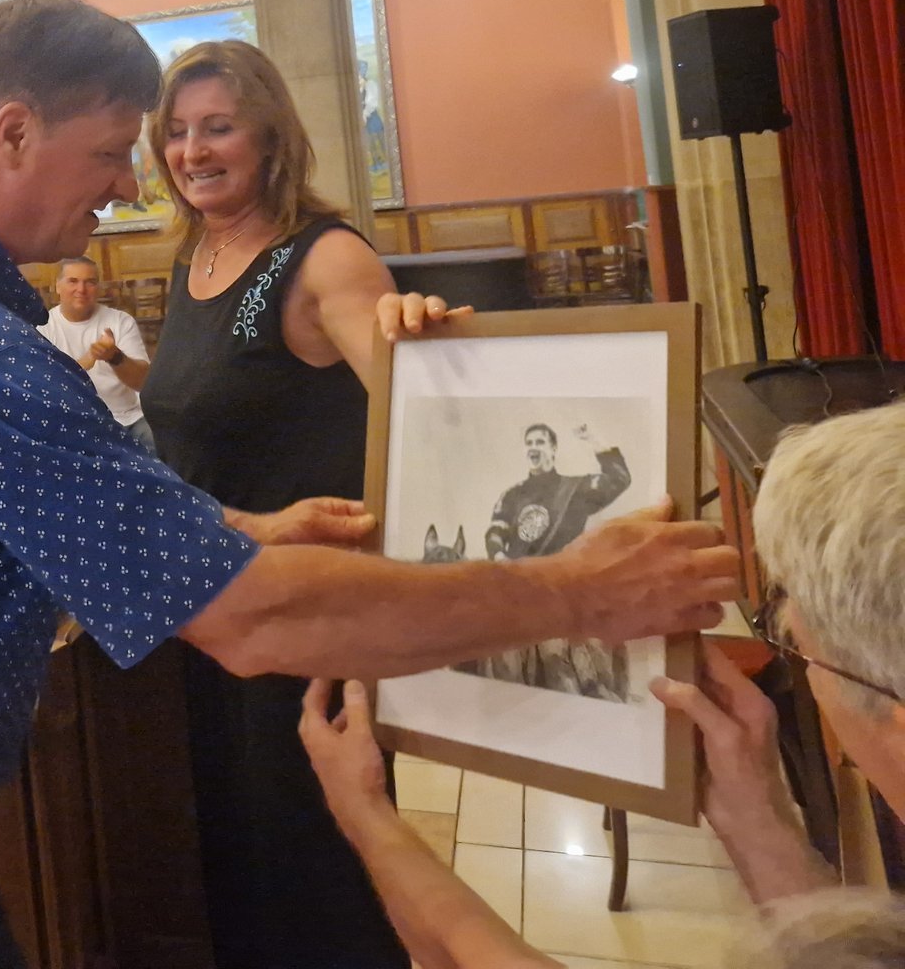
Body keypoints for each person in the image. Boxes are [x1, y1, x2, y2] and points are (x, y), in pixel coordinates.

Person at [0, 0, 738, 969]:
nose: (130, 185)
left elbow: (56, 491)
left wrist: (244, 526)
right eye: (112, 152)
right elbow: (254, 624)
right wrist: (583, 592)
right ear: (14, 132)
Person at [300, 401, 905, 969]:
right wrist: (757, 819)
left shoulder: (573, 486)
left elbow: (614, 478)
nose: (797, 657)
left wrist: (363, 812)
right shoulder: (512, 496)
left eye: (799, 645)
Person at [139, 38, 451, 968]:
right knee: (235, 853)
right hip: (212, 604)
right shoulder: (196, 257)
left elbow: (422, 408)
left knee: (313, 861)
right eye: (177, 132)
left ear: (271, 137)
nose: (193, 151)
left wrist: (424, 340)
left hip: (304, 620)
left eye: (218, 128)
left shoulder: (324, 257)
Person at [35, 256, 154, 451]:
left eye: (89, 282)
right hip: (74, 422)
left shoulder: (120, 321)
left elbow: (143, 382)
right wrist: (84, 362)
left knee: (164, 444)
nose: (81, 289)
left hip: (128, 419)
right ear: (58, 286)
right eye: (73, 281)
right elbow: (45, 389)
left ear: (98, 288)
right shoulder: (43, 328)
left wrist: (115, 357)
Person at [486, 422, 632, 559]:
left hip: (560, 574)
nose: (533, 447)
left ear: (553, 449)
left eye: (540, 442)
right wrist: (499, 556)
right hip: (518, 575)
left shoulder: (576, 489)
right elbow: (496, 533)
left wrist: (594, 439)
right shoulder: (511, 495)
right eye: (529, 443)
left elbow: (619, 478)